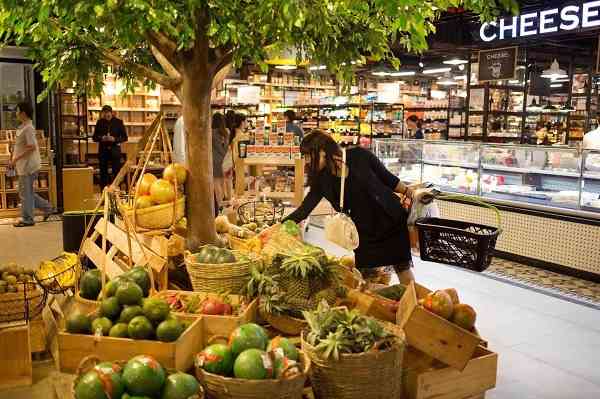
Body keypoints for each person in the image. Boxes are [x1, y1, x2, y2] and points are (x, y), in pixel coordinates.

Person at [283, 130, 416, 284]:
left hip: (390, 220)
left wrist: (411, 193)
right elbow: (303, 211)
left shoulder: (360, 156)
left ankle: (413, 304)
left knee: (403, 269)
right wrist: (278, 227)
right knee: (366, 279)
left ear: (322, 151)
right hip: (363, 234)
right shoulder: (321, 180)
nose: (306, 161)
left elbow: (389, 179)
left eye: (308, 155)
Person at [9, 102, 55, 227]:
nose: (16, 113)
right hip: (23, 165)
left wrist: (16, 158)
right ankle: (48, 208)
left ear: (23, 113)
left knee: (25, 193)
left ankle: (28, 219)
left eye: (18, 111)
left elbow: (31, 147)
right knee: (27, 192)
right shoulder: (23, 127)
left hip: (28, 166)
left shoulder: (28, 128)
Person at [93, 105, 128, 188]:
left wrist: (114, 139)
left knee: (116, 171)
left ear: (112, 113)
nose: (106, 115)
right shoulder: (100, 122)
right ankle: (103, 192)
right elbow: (94, 137)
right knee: (103, 172)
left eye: (108, 113)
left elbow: (124, 137)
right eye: (104, 113)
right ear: (102, 114)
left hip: (115, 151)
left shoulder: (118, 122)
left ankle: (117, 190)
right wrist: (102, 138)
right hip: (103, 151)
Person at [212, 112, 229, 208]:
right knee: (223, 181)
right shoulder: (227, 131)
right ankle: (225, 200)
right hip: (225, 160)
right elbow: (225, 147)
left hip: (215, 160)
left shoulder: (211, 133)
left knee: (216, 182)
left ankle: (219, 203)